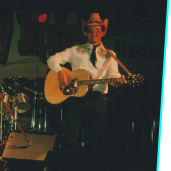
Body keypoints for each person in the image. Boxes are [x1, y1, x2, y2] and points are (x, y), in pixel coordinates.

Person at [47, 13, 127, 155]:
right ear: (85, 32)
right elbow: (52, 59)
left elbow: (113, 76)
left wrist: (118, 81)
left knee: (94, 143)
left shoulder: (110, 54)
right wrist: (60, 72)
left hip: (98, 100)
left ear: (102, 32)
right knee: (69, 141)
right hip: (76, 100)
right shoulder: (75, 50)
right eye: (90, 30)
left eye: (97, 29)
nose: (94, 33)